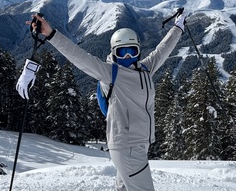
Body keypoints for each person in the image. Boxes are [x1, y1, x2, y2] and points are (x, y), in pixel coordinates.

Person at [16, 11, 186, 190]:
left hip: (139, 144)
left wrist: (178, 27)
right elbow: (80, 57)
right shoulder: (110, 73)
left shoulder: (145, 69)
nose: (127, 57)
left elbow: (162, 50)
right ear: (114, 53)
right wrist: (51, 34)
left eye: (131, 51)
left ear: (138, 51)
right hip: (127, 146)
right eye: (122, 52)